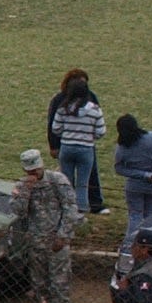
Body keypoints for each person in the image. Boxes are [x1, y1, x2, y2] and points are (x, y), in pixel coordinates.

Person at [12, 149, 79, 303]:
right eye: (30, 171)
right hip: (36, 242)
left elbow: (70, 209)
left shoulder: (58, 181)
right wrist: (26, 190)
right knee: (39, 285)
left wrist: (63, 236)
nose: (34, 173)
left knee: (60, 283)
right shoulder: (22, 186)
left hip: (56, 241)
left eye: (36, 169)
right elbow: (18, 211)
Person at [46, 69, 106, 214]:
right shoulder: (94, 109)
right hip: (86, 149)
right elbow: (101, 131)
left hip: (66, 147)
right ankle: (82, 210)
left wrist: (63, 137)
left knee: (66, 182)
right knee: (83, 183)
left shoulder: (62, 107)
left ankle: (66, 209)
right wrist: (89, 136)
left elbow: (55, 128)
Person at [113, 114, 152, 229]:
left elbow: (119, 168)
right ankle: (150, 244)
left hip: (134, 185)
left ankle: (129, 245)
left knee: (134, 217)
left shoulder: (122, 147)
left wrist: (142, 175)